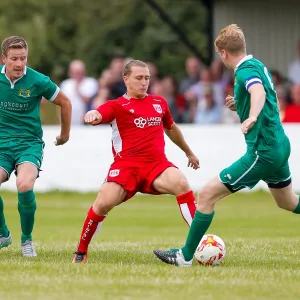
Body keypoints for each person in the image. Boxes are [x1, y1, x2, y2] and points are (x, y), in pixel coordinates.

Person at [153, 24, 300, 267]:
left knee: (207, 194)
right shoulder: (258, 64)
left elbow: (258, 92)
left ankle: (185, 256)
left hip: (262, 152)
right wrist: (240, 105)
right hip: (279, 145)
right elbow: (258, 92)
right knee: (288, 202)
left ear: (223, 53)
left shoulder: (243, 72)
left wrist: (251, 115)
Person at [72, 60, 200, 264]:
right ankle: (81, 251)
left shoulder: (159, 102)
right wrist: (93, 114)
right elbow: (100, 113)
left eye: (147, 78)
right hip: (126, 168)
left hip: (157, 166)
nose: (144, 82)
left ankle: (199, 246)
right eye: (139, 78)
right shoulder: (116, 105)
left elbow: (171, 129)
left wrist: (189, 153)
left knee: (182, 183)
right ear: (126, 79)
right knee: (103, 202)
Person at [0, 36, 72, 257]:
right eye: (14, 59)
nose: (20, 63)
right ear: (4, 59)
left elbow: (65, 102)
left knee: (24, 184)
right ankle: (3, 234)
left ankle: (26, 240)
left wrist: (64, 135)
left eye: (23, 58)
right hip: (2, 145)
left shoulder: (37, 80)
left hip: (28, 144)